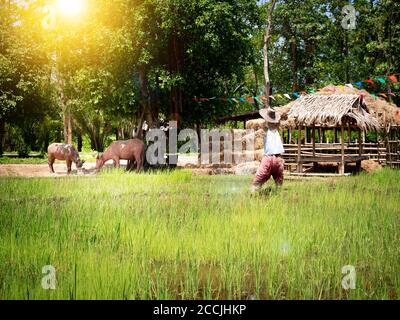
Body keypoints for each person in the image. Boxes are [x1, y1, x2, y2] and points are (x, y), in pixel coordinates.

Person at [251, 107, 285, 192]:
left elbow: (262, 129)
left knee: (258, 179)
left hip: (268, 158)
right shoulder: (277, 130)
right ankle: (278, 193)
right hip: (278, 158)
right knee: (279, 180)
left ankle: (252, 193)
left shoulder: (264, 129)